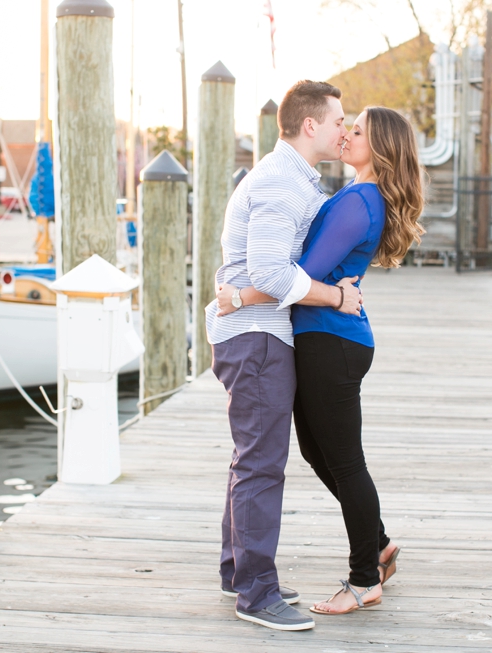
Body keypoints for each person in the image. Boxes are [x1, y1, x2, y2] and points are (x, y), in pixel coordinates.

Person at [216, 106, 426, 616]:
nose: (347, 135)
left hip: (332, 341)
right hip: (327, 338)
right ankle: (376, 542)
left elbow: (297, 276)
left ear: (379, 148)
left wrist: (239, 297)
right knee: (320, 453)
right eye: (345, 126)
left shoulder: (358, 200)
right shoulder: (355, 196)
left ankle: (364, 578)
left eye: (357, 131)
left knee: (346, 461)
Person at [205, 80, 362, 632]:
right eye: (339, 120)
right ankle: (255, 592)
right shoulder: (278, 183)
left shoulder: (297, 182)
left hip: (259, 331)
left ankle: (237, 573)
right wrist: (337, 297)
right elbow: (271, 272)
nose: (345, 129)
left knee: (253, 457)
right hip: (257, 336)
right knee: (262, 463)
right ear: (310, 125)